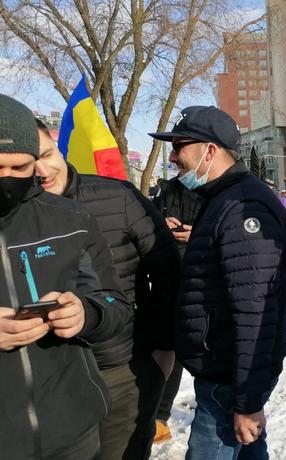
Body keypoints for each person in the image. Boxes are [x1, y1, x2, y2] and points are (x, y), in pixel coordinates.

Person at [149, 105, 286, 460]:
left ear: (209, 150)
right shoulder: (223, 199)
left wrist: (247, 400)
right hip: (226, 372)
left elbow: (254, 309)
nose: (173, 157)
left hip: (228, 378)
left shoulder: (244, 205)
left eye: (179, 146)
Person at [33, 120, 181, 459]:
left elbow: (168, 272)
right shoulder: (13, 215)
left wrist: (163, 349)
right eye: (29, 161)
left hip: (123, 368)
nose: (42, 171)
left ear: (58, 149)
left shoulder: (118, 196)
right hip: (49, 376)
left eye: (47, 154)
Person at [0, 94, 132, 460]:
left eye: (19, 167)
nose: (7, 179)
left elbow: (114, 302)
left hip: (72, 431)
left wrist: (85, 314)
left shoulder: (71, 219)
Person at [151, 170, 203, 444]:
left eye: (180, 151)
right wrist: (161, 224)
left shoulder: (222, 189)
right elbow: (144, 223)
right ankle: (158, 415)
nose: (174, 159)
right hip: (169, 276)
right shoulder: (168, 188)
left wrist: (200, 234)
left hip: (205, 281)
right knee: (166, 345)